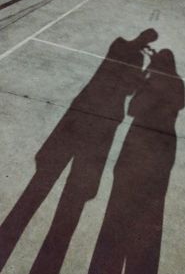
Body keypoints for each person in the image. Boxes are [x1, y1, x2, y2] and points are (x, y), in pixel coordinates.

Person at [0, 29, 158, 274]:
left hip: (82, 110)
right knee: (72, 197)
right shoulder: (136, 58)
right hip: (104, 120)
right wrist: (147, 72)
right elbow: (129, 91)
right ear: (148, 41)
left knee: (40, 186)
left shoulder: (118, 43)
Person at [88, 47, 185, 274]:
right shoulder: (178, 82)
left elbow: (132, 109)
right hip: (166, 144)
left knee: (123, 201)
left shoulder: (152, 81)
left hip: (141, 141)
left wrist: (147, 75)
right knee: (152, 205)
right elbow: (179, 105)